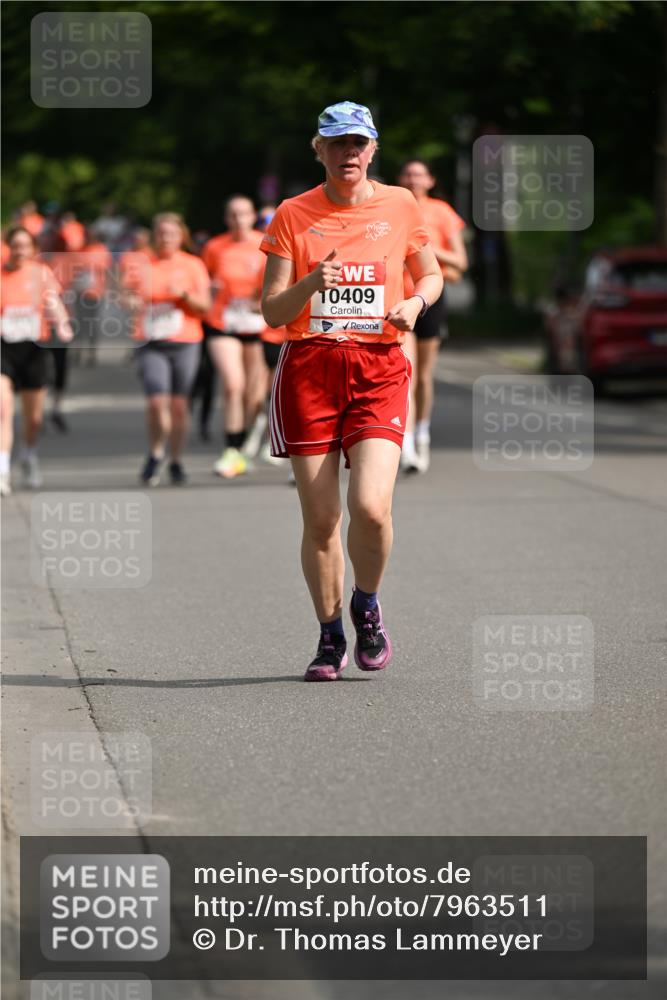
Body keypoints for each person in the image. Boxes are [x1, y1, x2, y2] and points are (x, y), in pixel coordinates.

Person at [261, 101, 443, 682]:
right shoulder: (292, 214)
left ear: (373, 149)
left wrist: (415, 302)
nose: (349, 154)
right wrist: (312, 282)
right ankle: (328, 636)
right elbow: (270, 310)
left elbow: (431, 273)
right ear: (319, 149)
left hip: (378, 366)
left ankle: (367, 603)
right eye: (337, 144)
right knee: (320, 522)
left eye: (359, 144)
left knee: (370, 506)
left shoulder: (400, 203)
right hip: (309, 368)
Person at [123, 212, 211, 486]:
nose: (166, 239)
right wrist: (131, 302)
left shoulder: (193, 265)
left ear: (181, 236)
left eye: (172, 234)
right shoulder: (141, 263)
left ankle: (175, 459)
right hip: (151, 342)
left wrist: (183, 295)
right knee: (156, 401)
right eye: (161, 233)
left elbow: (205, 307)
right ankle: (155, 451)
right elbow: (125, 294)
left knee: (179, 407)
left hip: (185, 340)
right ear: (154, 235)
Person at [398, 159, 468, 472]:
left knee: (424, 376)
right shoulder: (393, 206)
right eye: (408, 174)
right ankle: (408, 445)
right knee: (407, 374)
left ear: (430, 180)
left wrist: (423, 246)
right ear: (401, 179)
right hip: (398, 298)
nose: (413, 179)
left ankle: (423, 433)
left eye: (419, 175)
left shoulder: (441, 212)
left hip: (430, 298)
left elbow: (459, 263)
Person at [0, 227, 73, 494]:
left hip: (34, 350)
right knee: (3, 408)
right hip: (4, 348)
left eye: (24, 246)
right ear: (8, 247)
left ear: (32, 249)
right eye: (15, 245)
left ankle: (29, 456)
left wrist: (62, 323)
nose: (19, 251)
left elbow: (53, 302)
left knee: (33, 419)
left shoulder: (41, 274)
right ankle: (3, 469)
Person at [202, 196, 269, 478]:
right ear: (226, 218)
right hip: (222, 323)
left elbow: (279, 281)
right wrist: (211, 290)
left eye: (243, 214)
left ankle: (243, 446)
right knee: (233, 384)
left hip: (256, 325)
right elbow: (202, 281)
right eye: (233, 214)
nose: (238, 219)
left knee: (253, 395)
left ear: (252, 216)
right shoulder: (215, 247)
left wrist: (262, 300)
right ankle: (231, 450)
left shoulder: (265, 244)